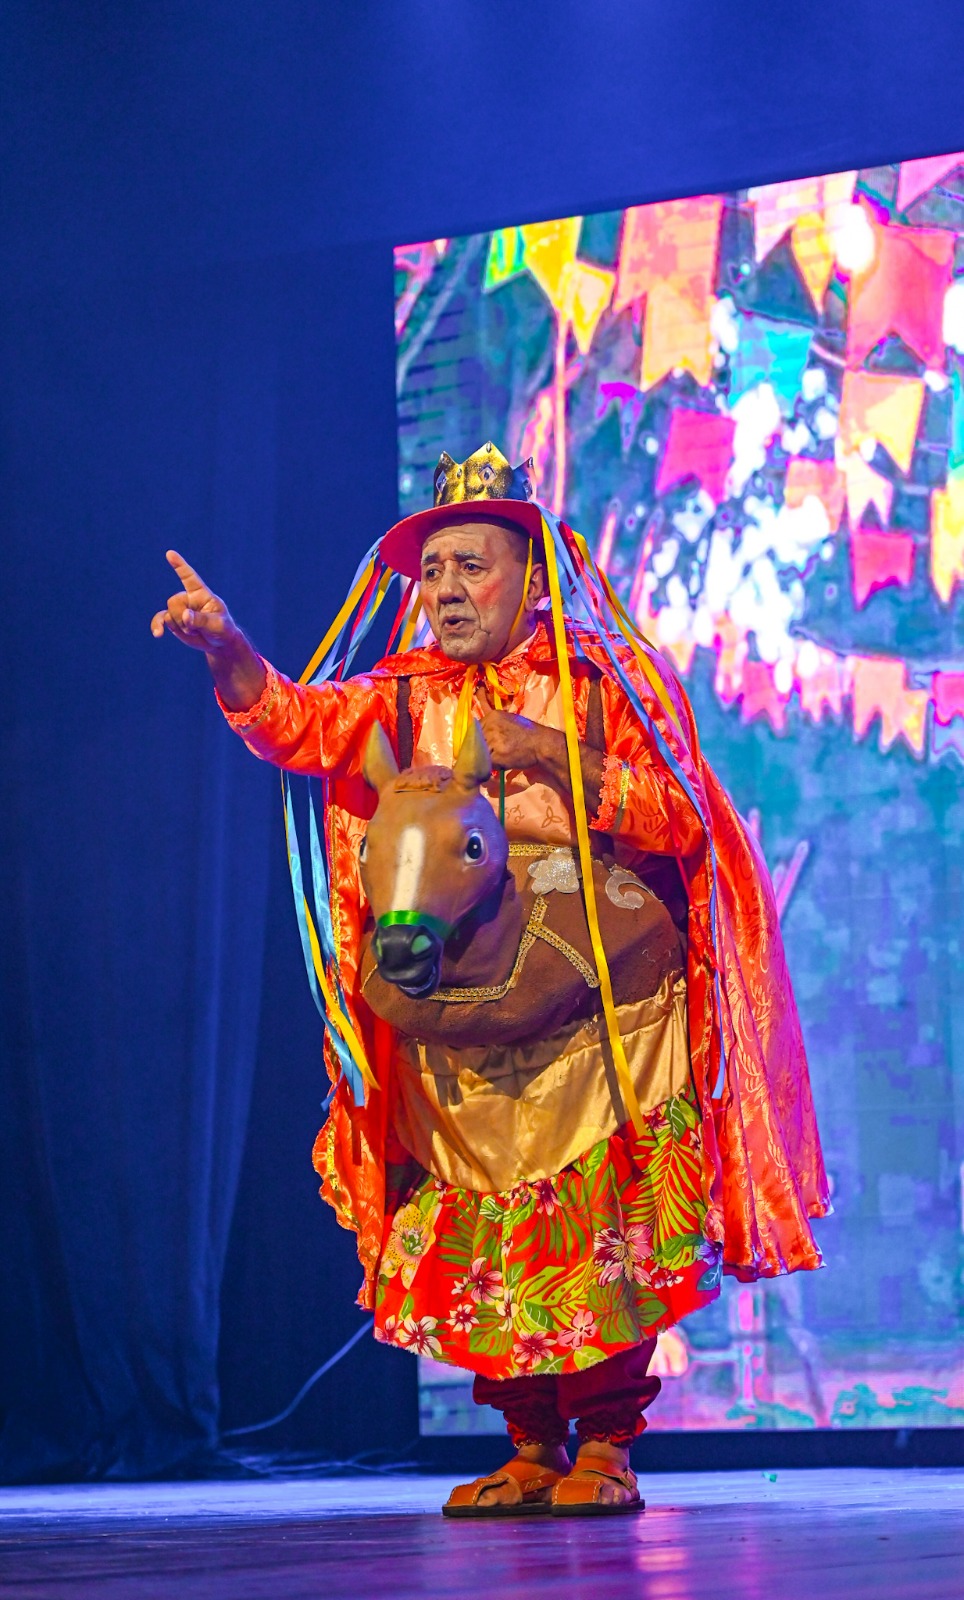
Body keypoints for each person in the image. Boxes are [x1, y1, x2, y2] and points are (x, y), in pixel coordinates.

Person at [152, 442, 829, 1516]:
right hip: (460, 1005)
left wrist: (554, 755)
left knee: (598, 1225)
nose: (447, 590)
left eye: (471, 566)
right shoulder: (401, 697)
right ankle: (528, 1443)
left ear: (531, 576)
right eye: (433, 572)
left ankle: (605, 1444)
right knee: (480, 1227)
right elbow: (293, 725)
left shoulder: (606, 679)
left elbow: (682, 814)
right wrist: (229, 648)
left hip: (597, 1006)